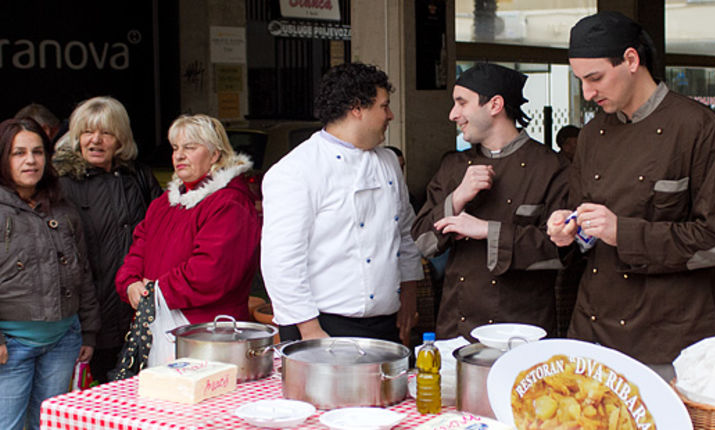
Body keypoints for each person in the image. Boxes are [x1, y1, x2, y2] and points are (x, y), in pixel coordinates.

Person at [548, 11, 715, 380]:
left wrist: (623, 233)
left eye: (595, 78)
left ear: (631, 60)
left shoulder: (699, 128)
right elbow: (584, 222)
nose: (587, 94)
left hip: (670, 337)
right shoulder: (591, 134)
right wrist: (568, 231)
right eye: (580, 81)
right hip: (594, 329)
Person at [261, 63, 424, 344]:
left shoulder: (388, 162)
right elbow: (282, 261)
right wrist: (310, 331)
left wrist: (409, 298)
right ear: (357, 108)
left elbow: (405, 234)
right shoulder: (296, 170)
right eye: (384, 106)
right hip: (319, 323)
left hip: (386, 321)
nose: (391, 115)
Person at [411, 62, 569, 340]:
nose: (452, 114)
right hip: (457, 328)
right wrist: (457, 197)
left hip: (523, 331)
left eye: (462, 103)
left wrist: (487, 230)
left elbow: (562, 251)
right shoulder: (453, 167)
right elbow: (422, 243)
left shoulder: (551, 167)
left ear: (495, 105)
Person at [115, 114, 260, 365]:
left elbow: (210, 272)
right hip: (160, 327)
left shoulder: (230, 204)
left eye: (190, 148)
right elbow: (138, 250)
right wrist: (130, 284)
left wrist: (155, 291)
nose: (179, 156)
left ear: (214, 155)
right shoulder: (163, 203)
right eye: (175, 148)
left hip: (207, 335)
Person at [52, 96, 162, 383]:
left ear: (121, 139)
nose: (95, 140)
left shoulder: (138, 177)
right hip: (89, 319)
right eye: (87, 132)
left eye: (106, 133)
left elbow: (161, 234)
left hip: (139, 312)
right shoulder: (61, 184)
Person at [0, 118, 100, 430]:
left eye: (37, 152)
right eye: (18, 153)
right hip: (10, 347)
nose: (30, 160)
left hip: (63, 341)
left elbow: (82, 272)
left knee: (50, 425)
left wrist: (89, 331)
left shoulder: (62, 207)